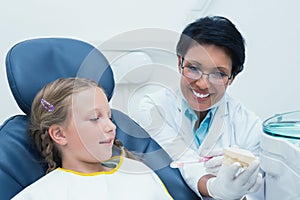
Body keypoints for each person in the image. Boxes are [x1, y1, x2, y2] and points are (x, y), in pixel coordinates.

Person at [133, 16, 264, 199]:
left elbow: (259, 193)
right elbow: (182, 160)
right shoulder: (153, 109)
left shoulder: (249, 126)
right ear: (180, 63)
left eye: (218, 74)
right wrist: (216, 188)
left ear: (232, 77)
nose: (203, 84)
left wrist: (240, 192)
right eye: (193, 68)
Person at [12, 77, 173, 200]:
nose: (112, 126)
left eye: (109, 117)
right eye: (95, 118)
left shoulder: (138, 173)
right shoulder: (42, 194)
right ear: (59, 134)